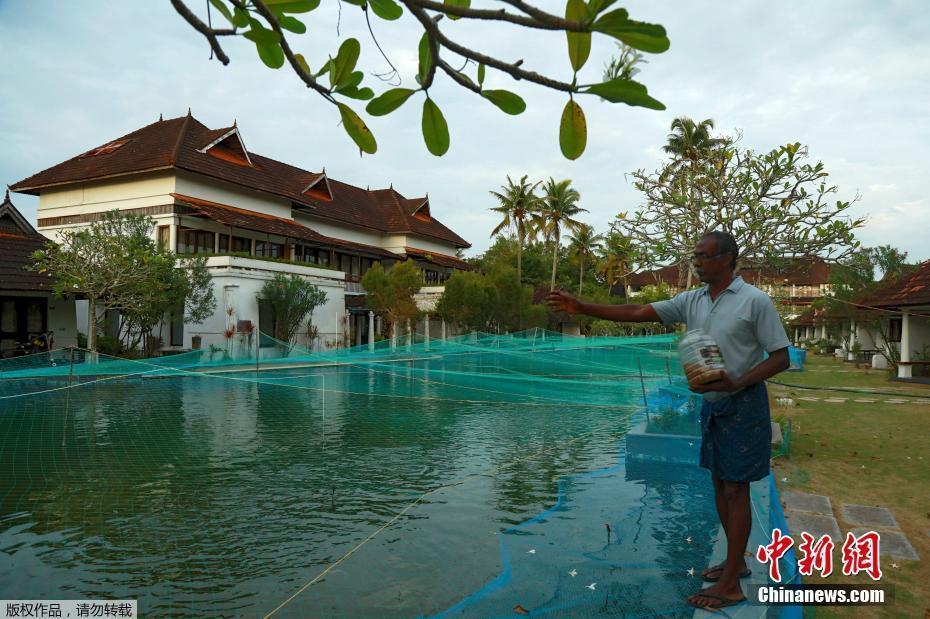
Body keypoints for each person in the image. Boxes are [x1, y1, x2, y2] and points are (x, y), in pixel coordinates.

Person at [546, 231, 790, 611]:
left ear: (727, 258)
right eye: (695, 255)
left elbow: (781, 357)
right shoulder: (692, 300)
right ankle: (735, 562)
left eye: (704, 256)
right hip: (712, 402)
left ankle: (730, 586)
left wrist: (737, 381)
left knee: (735, 489)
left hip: (744, 404)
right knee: (718, 481)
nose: (696, 262)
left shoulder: (754, 301)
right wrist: (582, 307)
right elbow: (638, 312)